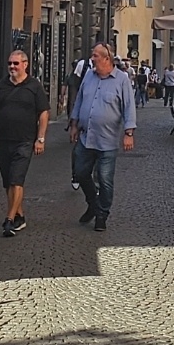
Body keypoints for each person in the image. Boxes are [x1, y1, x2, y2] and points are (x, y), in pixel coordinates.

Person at [69, 41, 135, 232]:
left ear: (107, 59)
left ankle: (101, 214)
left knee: (105, 180)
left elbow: (128, 106)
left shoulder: (121, 80)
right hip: (86, 136)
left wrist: (129, 133)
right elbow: (80, 100)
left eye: (95, 55)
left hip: (107, 140)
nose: (92, 58)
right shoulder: (89, 75)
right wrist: (74, 124)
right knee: (80, 173)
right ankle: (93, 204)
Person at [0, 49, 49, 237]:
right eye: (10, 63)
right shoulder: (1, 86)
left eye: (16, 63)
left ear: (25, 65)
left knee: (16, 179)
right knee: (8, 181)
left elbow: (43, 113)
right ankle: (19, 215)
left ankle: (9, 219)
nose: (12, 66)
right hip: (3, 140)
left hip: (25, 141)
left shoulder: (34, 86)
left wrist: (40, 139)